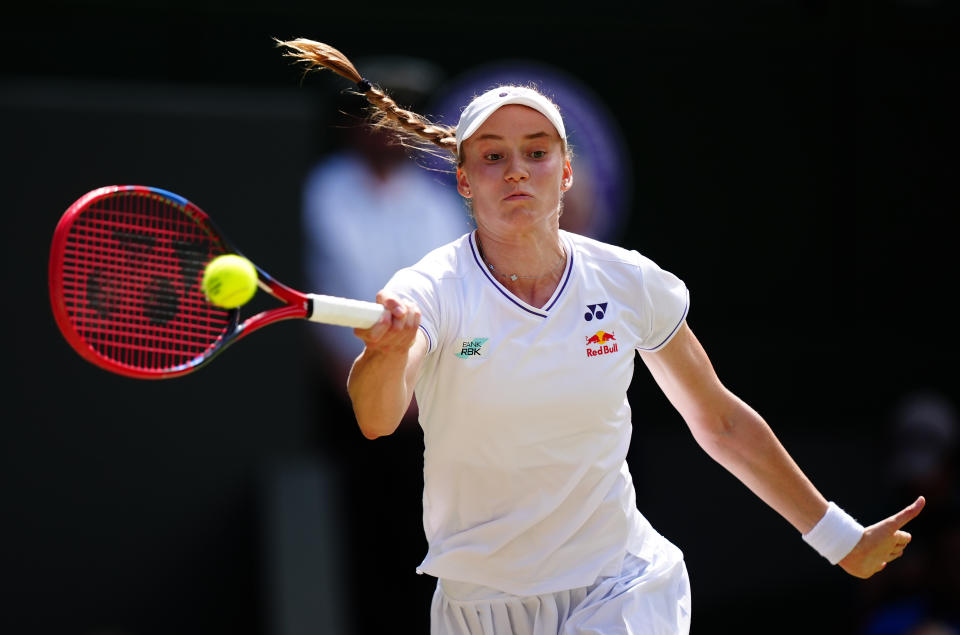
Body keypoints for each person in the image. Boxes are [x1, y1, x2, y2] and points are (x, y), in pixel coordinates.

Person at [278, 39, 926, 634]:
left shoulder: (628, 282)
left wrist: (841, 537)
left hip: (619, 587)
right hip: (477, 605)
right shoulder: (431, 286)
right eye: (492, 156)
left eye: (537, 151)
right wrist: (386, 355)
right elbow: (377, 415)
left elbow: (720, 420)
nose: (515, 171)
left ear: (565, 174)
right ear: (464, 181)